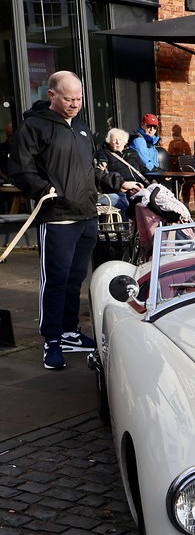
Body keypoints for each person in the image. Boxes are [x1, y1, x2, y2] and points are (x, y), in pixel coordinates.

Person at [6, 71, 100, 370]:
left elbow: (89, 170)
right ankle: (53, 340)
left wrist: (114, 181)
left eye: (79, 98)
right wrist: (44, 189)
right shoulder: (35, 126)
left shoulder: (82, 129)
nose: (75, 104)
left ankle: (71, 332)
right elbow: (19, 169)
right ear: (52, 96)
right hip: (57, 217)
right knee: (55, 281)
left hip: (86, 215)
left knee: (76, 279)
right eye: (69, 98)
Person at [95, 127, 148, 215]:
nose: (118, 142)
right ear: (109, 141)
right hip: (118, 188)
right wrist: (102, 162)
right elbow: (100, 173)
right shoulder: (104, 153)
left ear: (125, 140)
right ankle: (127, 227)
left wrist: (155, 178)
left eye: (120, 139)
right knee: (124, 202)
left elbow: (143, 169)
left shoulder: (132, 152)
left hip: (138, 186)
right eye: (114, 140)